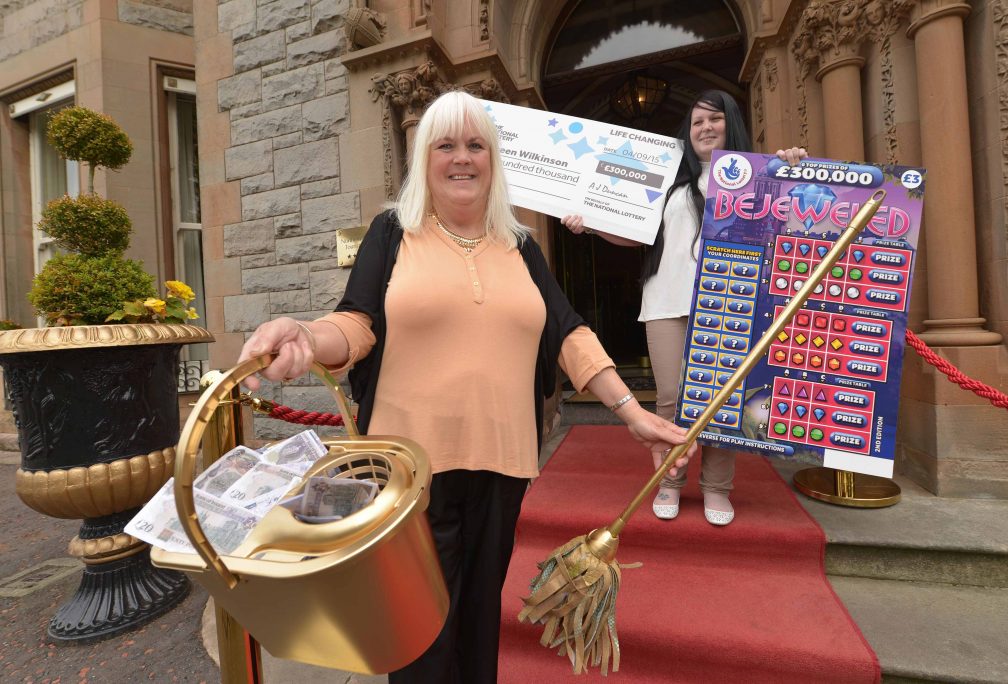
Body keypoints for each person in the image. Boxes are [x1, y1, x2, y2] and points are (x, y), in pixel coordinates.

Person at [236, 90, 695, 684]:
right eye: (445, 145)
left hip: (502, 466)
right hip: (408, 478)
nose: (461, 158)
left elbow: (567, 331)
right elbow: (355, 322)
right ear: (424, 158)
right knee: (421, 638)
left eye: (475, 145)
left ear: (493, 159)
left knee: (479, 627)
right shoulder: (393, 231)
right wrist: (302, 333)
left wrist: (631, 410)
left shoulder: (522, 244)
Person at [563, 89, 806, 526]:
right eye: (697, 122)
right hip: (664, 302)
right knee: (672, 401)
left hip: (730, 303)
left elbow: (801, 211)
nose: (705, 128)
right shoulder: (670, 180)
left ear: (731, 123)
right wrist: (591, 225)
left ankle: (716, 488)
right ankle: (670, 483)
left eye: (714, 119)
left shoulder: (760, 177)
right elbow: (635, 233)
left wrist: (793, 167)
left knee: (721, 401)